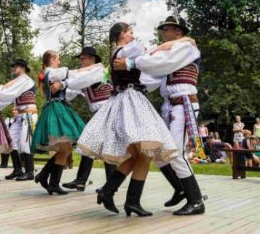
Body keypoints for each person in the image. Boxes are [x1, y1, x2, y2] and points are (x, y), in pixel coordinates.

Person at [78, 22, 178, 217]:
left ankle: (115, 194)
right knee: (143, 154)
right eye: (130, 32)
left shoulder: (123, 53)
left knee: (140, 155)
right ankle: (125, 198)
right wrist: (171, 44)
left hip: (129, 100)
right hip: (129, 102)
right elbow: (142, 49)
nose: (133, 36)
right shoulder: (124, 51)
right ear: (122, 34)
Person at [115, 16, 206, 216]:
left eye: (166, 29)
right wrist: (127, 82)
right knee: (157, 152)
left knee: (175, 152)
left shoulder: (186, 49)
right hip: (170, 106)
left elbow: (161, 64)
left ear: (178, 32)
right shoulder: (173, 49)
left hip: (184, 104)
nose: (163, 32)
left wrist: (131, 62)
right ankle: (180, 188)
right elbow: (151, 77)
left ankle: (196, 200)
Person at [50, 46, 116, 192]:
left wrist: (63, 82)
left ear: (93, 59)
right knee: (90, 145)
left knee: (96, 144)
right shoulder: (85, 75)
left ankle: (108, 184)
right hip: (100, 113)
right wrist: (56, 97)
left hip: (108, 111)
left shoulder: (98, 69)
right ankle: (83, 181)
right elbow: (72, 91)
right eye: (80, 59)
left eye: (83, 58)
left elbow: (80, 81)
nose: (81, 61)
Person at [30, 51, 88, 195]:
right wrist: (91, 69)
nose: (60, 62)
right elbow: (69, 73)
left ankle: (45, 177)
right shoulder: (52, 73)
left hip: (59, 108)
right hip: (57, 111)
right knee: (65, 149)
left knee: (66, 149)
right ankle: (51, 182)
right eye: (58, 59)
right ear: (53, 60)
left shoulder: (51, 74)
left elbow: (66, 91)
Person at [0, 60, 38, 182]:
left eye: (16, 66)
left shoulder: (25, 80)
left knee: (25, 142)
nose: (14, 68)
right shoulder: (19, 81)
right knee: (10, 141)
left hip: (28, 115)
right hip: (19, 116)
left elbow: (9, 92)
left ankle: (30, 171)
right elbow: (9, 97)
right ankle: (17, 169)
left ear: (22, 68)